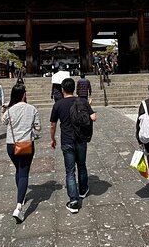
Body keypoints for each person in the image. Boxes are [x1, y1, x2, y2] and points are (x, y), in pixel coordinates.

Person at [50, 77, 96, 214]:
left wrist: (52, 139)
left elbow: (53, 125)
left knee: (70, 171)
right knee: (82, 165)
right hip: (81, 139)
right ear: (74, 88)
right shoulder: (82, 101)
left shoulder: (58, 105)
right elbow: (93, 117)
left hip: (67, 140)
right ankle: (83, 190)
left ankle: (74, 201)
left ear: (62, 89)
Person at [1, 84, 41, 223]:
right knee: (24, 172)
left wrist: (5, 109)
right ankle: (19, 207)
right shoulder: (32, 109)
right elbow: (38, 128)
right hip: (26, 145)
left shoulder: (10, 110)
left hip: (11, 145)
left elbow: (3, 122)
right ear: (24, 95)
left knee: (18, 169)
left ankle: (21, 194)